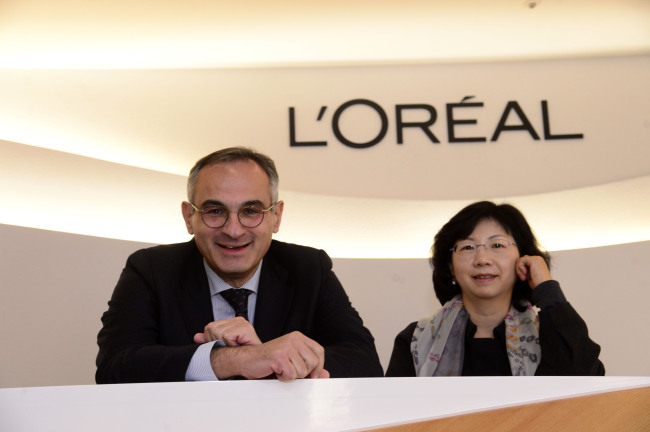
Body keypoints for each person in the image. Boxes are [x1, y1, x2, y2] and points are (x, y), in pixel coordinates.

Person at [96, 147, 383, 383]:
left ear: (277, 216)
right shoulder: (151, 270)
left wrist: (271, 358)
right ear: (188, 217)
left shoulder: (309, 268)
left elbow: (364, 363)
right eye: (214, 211)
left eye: (250, 211)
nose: (233, 230)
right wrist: (235, 359)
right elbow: (115, 368)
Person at [386, 201, 604, 377]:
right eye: (467, 247)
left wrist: (547, 288)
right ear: (451, 267)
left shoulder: (550, 336)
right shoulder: (416, 339)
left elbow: (583, 379)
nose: (482, 259)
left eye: (497, 245)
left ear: (523, 258)